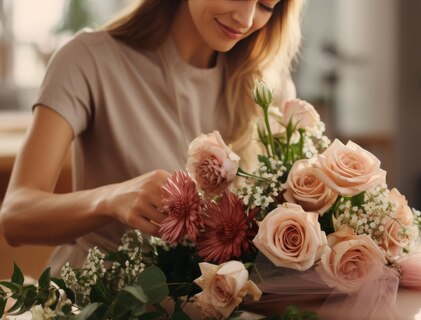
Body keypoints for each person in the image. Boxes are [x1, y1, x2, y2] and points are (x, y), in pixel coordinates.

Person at [0, 0, 304, 275]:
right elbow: (15, 216)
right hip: (96, 315)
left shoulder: (267, 90)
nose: (246, 18)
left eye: (265, 5)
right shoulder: (88, 60)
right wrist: (110, 199)